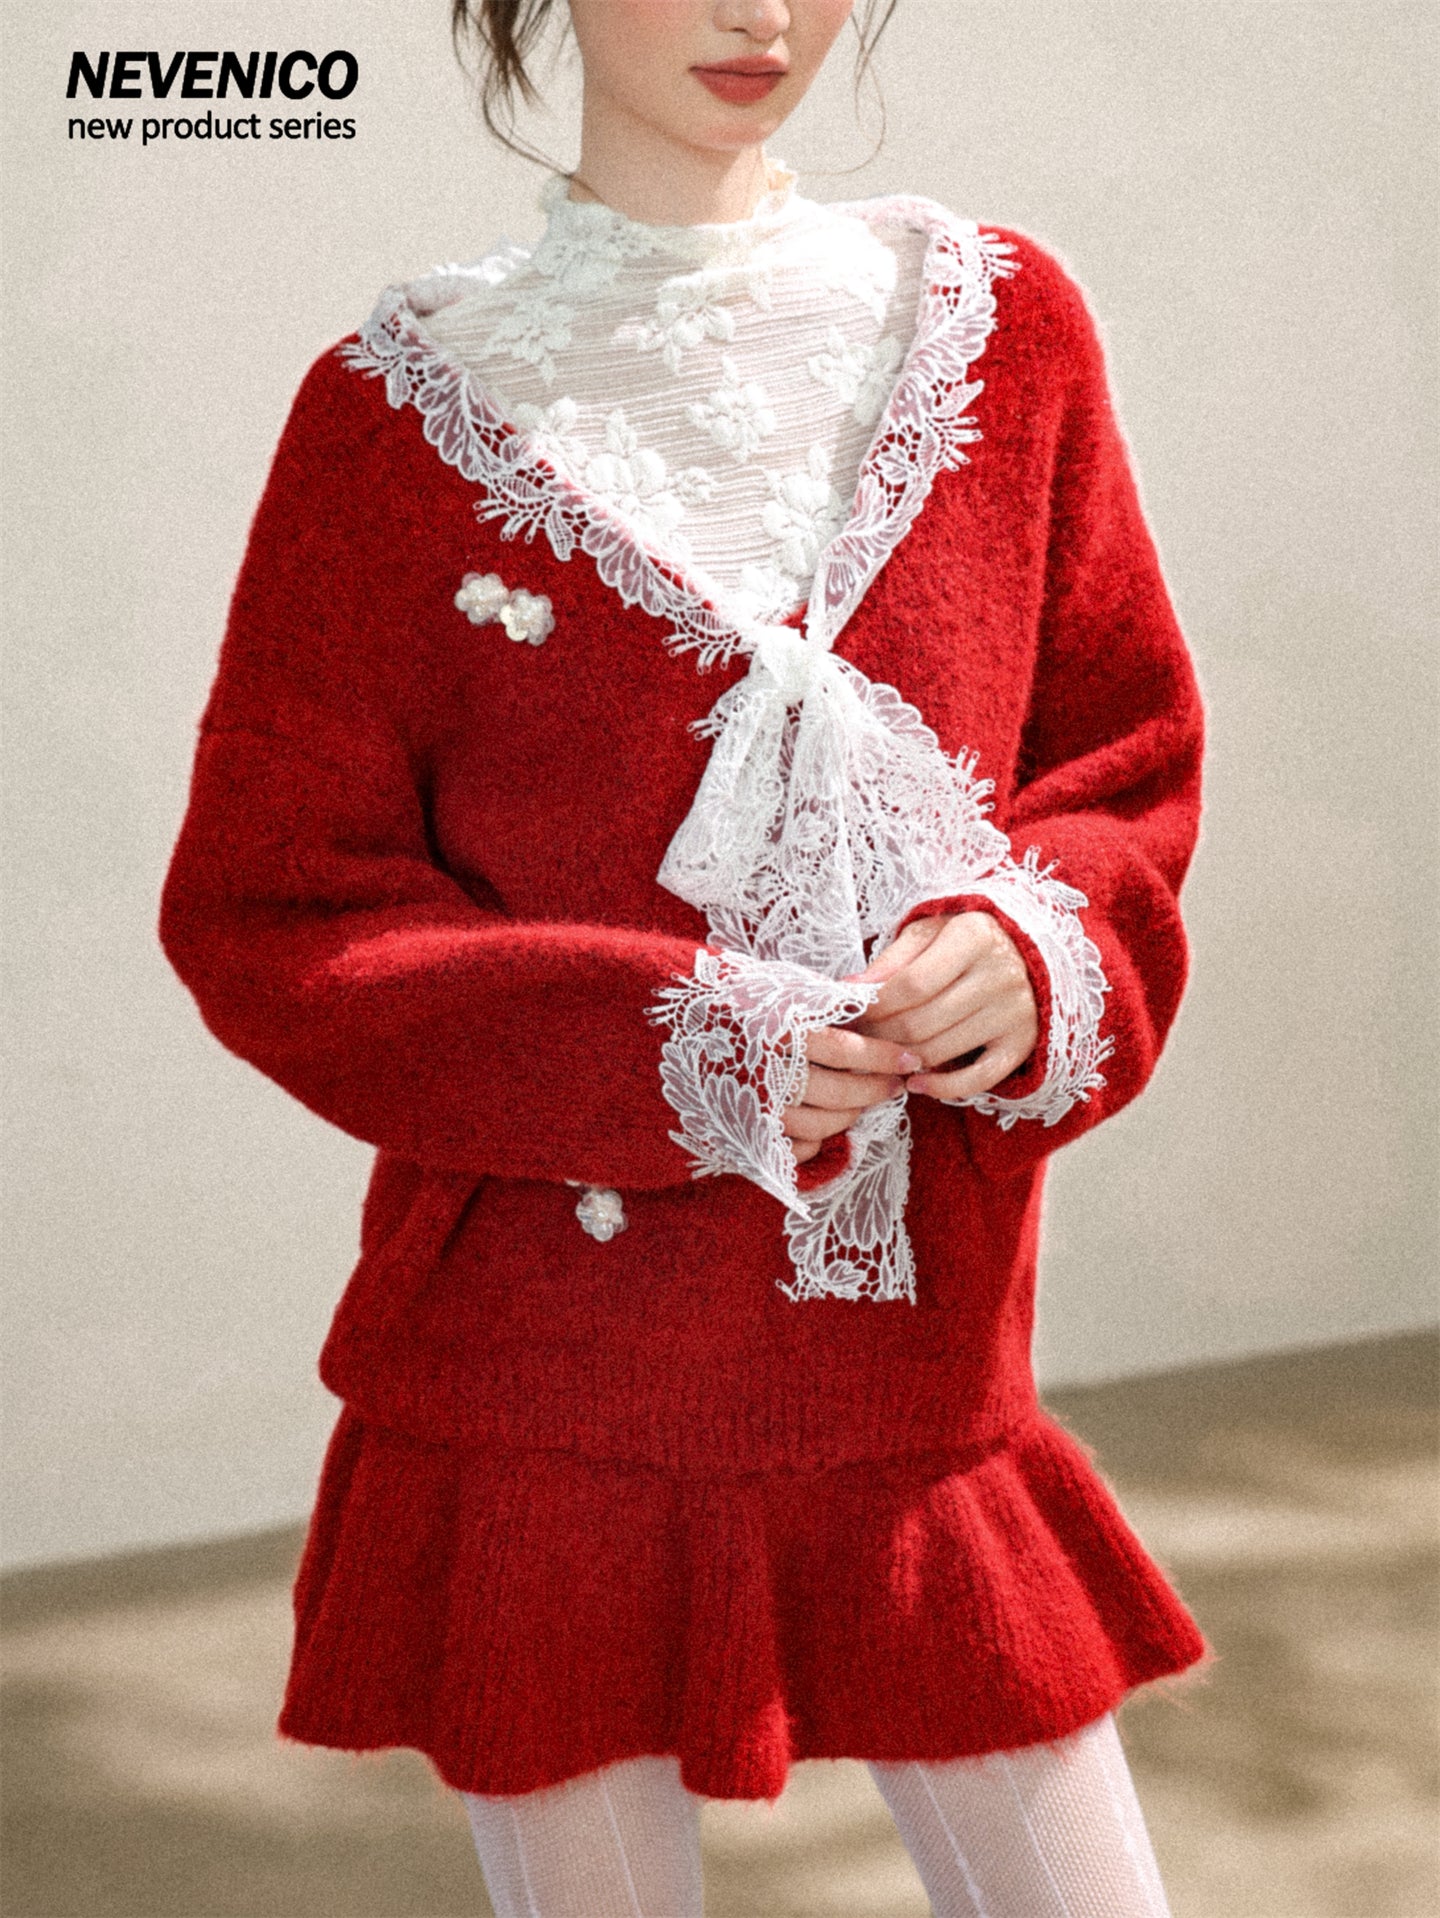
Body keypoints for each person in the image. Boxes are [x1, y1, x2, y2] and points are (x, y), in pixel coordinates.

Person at [158, 1, 1212, 1911]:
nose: (761, 13)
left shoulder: (1001, 327)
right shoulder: (391, 415)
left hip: (914, 1362)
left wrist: (1035, 942)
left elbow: (1121, 765)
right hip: (537, 1388)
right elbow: (272, 904)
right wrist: (668, 1046)